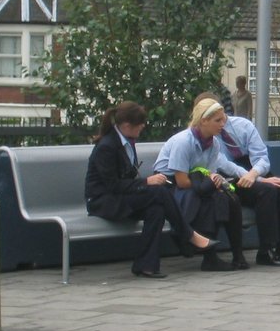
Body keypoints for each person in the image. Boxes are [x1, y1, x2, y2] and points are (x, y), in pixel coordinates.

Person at [85, 101, 218, 278]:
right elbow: (112, 185)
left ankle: (146, 265)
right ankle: (187, 233)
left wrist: (145, 183)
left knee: (156, 209)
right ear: (126, 125)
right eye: (140, 124)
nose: (143, 127)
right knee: (158, 192)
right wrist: (147, 181)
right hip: (103, 201)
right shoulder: (107, 147)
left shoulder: (127, 141)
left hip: (120, 197)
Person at [194, 92, 280, 266]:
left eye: (220, 116)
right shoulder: (206, 137)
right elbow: (223, 164)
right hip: (229, 178)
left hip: (252, 170)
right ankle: (266, 250)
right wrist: (258, 180)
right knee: (266, 191)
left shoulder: (243, 125)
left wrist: (255, 175)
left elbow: (261, 157)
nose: (220, 122)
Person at [153, 98, 251, 271]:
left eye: (223, 120)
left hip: (195, 183)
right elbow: (181, 182)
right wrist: (209, 186)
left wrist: (215, 183)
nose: (223, 124)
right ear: (203, 121)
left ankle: (238, 255)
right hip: (169, 185)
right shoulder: (183, 142)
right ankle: (209, 256)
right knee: (209, 201)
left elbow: (208, 174)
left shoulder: (213, 144)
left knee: (230, 199)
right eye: (218, 120)